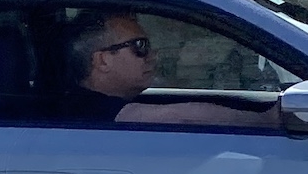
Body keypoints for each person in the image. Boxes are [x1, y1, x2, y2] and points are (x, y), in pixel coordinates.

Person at [57, 9, 272, 128]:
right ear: (103, 61)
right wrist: (267, 121)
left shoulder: (91, 102)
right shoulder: (87, 109)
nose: (152, 55)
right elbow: (182, 116)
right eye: (139, 47)